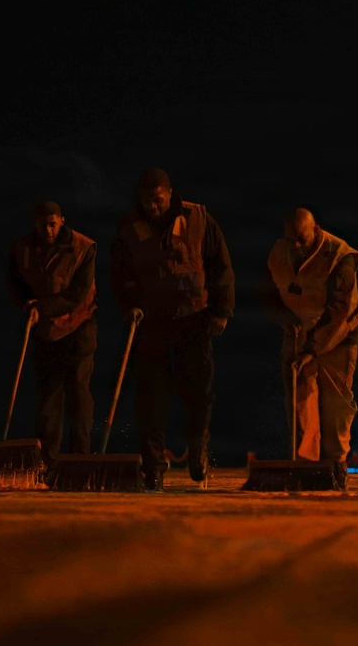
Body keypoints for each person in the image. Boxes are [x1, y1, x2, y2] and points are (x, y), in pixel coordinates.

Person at [110, 168, 235, 491]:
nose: (152, 207)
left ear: (169, 194)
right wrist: (129, 306)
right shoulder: (130, 227)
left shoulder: (197, 218)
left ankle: (197, 451)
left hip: (194, 318)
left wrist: (221, 311)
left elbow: (220, 265)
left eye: (157, 200)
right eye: (146, 201)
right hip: (152, 322)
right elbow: (120, 274)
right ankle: (153, 466)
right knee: (150, 397)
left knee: (199, 395)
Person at [259, 208, 358, 489]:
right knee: (301, 400)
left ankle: (337, 462)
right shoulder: (279, 252)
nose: (297, 247)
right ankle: (308, 466)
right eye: (292, 240)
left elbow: (338, 309)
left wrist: (310, 349)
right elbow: (268, 295)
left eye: (302, 240)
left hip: (337, 332)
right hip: (297, 331)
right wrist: (285, 318)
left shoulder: (339, 256)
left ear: (315, 229)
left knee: (336, 404)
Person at [7, 201, 97, 477]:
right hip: (45, 331)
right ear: (35, 223)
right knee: (48, 400)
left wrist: (41, 308)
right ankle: (49, 463)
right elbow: (16, 284)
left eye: (53, 224)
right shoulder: (22, 249)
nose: (47, 230)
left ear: (62, 221)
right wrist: (26, 304)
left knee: (79, 395)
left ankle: (79, 460)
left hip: (78, 327)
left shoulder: (83, 247)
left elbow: (77, 294)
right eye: (43, 224)